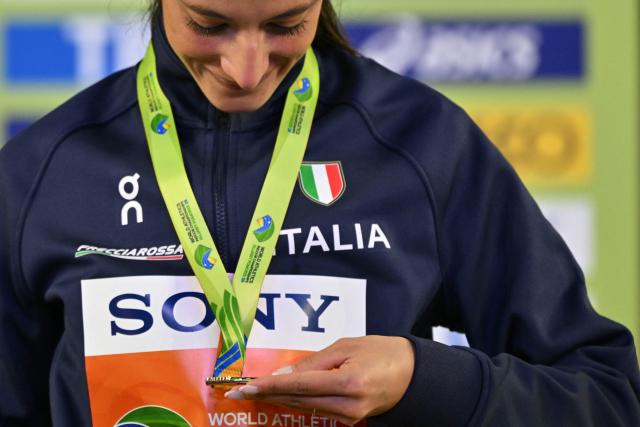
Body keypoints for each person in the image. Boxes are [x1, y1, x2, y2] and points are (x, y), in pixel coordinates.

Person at [0, 0, 638, 425]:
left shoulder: (418, 143)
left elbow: (607, 396)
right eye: (209, 23)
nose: (246, 70)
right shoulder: (41, 169)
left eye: (285, 24)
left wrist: (424, 379)